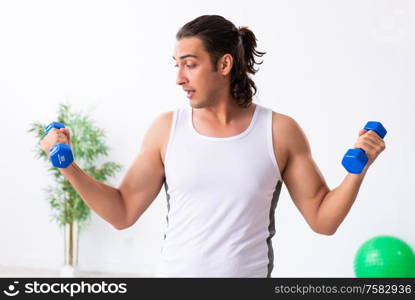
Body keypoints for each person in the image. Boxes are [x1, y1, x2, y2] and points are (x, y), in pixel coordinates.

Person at [40, 15, 386, 277]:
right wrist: (68, 167)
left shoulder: (279, 131)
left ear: (224, 64)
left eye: (190, 65)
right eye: (177, 66)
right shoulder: (166, 130)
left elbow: (322, 219)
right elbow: (122, 212)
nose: (179, 78)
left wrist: (359, 170)